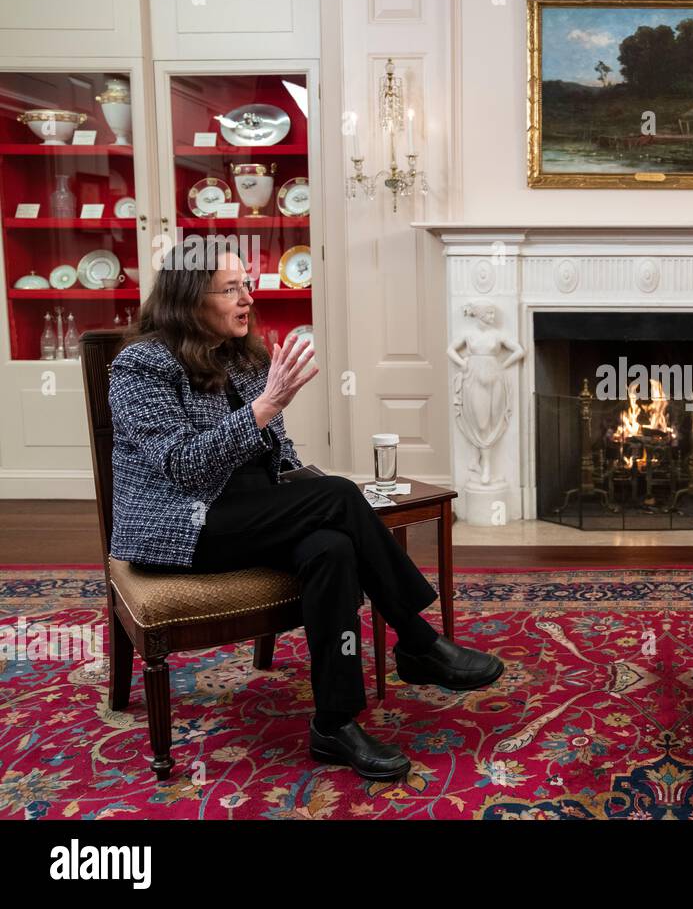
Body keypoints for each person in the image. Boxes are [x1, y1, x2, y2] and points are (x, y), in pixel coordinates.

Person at [108, 238, 503, 782]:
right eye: (231, 289)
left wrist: (302, 482)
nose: (247, 297)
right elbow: (181, 466)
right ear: (189, 298)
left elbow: (280, 456)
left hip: (250, 513)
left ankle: (334, 724)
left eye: (247, 284)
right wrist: (266, 408)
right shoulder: (140, 366)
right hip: (182, 524)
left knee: (332, 546)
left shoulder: (243, 356)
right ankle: (416, 640)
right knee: (340, 495)